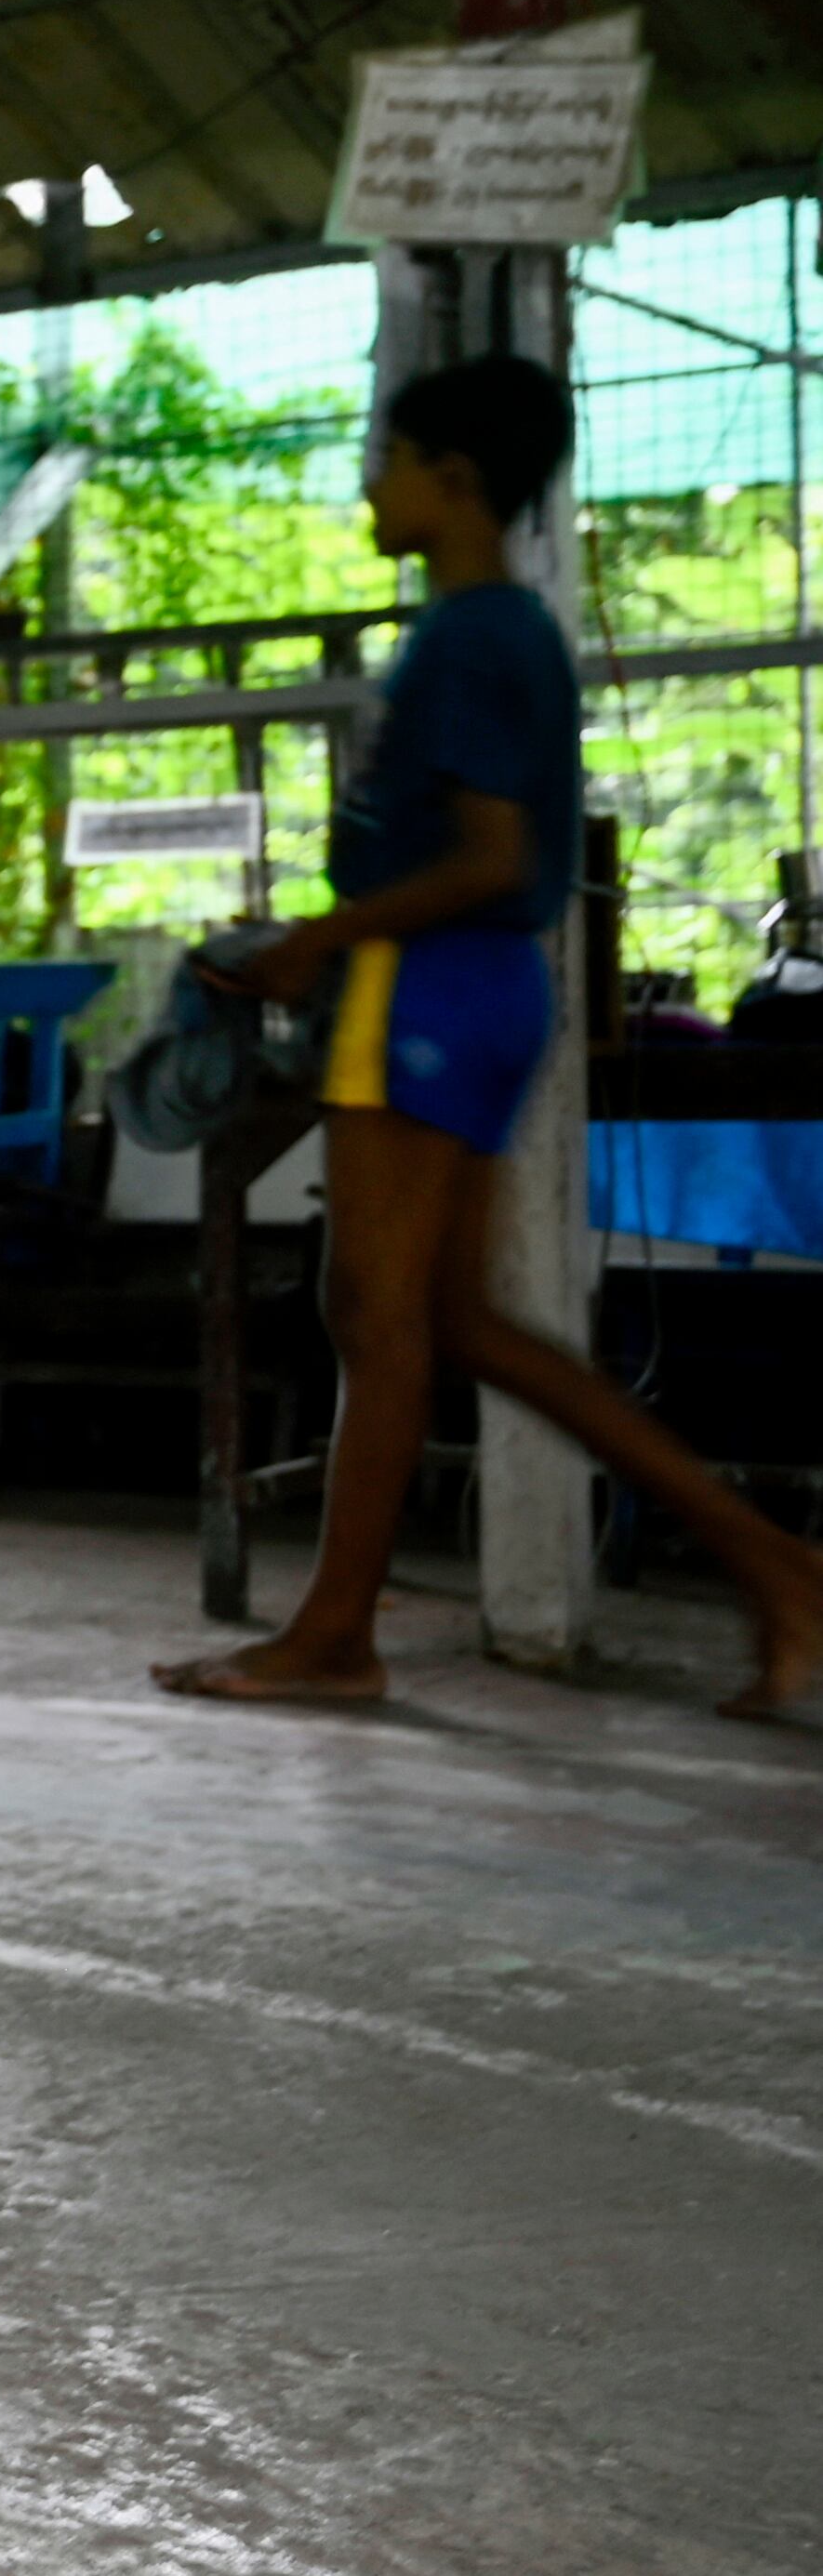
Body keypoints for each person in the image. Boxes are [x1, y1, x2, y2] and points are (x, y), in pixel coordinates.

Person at [153, 352, 823, 1720]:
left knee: (376, 1319)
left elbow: (487, 857)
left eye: (385, 456)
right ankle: (777, 1573)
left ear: (451, 479)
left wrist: (315, 942)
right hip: (462, 989)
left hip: (431, 988)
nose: (366, 479)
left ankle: (338, 1636)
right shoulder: (496, 629)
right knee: (452, 1324)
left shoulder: (469, 637)